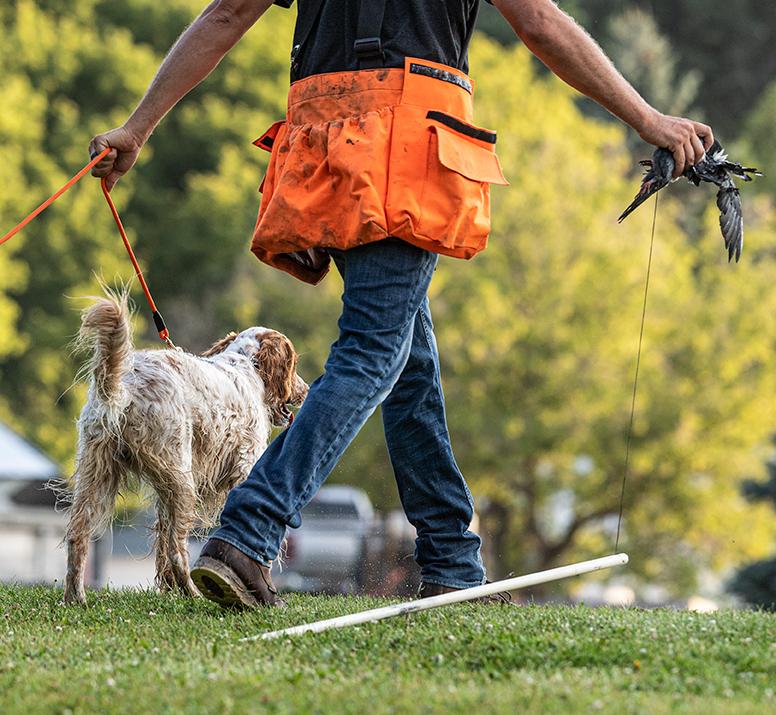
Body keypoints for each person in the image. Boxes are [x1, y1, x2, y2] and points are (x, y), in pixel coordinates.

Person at [90, 0, 714, 608]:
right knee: (373, 352)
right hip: (409, 147)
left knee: (408, 363)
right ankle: (248, 533)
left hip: (325, 151)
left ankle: (451, 561)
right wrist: (649, 120)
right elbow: (541, 23)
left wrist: (136, 128)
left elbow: (225, 16)